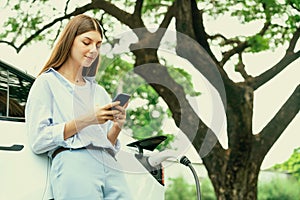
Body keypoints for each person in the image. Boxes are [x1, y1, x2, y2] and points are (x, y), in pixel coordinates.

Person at [25, 14, 132, 200]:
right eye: (87, 42)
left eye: (98, 45)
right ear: (70, 41)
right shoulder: (47, 83)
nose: (93, 50)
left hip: (109, 165)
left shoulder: (98, 91)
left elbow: (107, 143)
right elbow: (39, 139)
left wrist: (116, 127)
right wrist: (88, 119)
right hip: (74, 162)